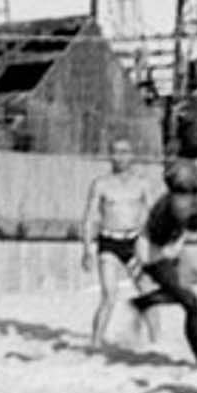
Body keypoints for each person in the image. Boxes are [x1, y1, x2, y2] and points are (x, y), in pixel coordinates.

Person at [129, 159, 197, 364]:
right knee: (191, 303)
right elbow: (192, 224)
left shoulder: (186, 194)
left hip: (166, 248)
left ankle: (144, 302)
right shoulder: (176, 201)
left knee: (182, 293)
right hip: (153, 253)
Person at [80, 138, 152, 350]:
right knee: (109, 295)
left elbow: (151, 215)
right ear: (110, 155)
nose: (120, 156)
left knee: (147, 291)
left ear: (132, 155)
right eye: (116, 152)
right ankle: (95, 341)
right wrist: (86, 249)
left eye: (124, 152)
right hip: (109, 242)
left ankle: (148, 337)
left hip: (134, 241)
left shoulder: (142, 184)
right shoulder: (101, 184)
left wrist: (148, 244)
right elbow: (89, 217)